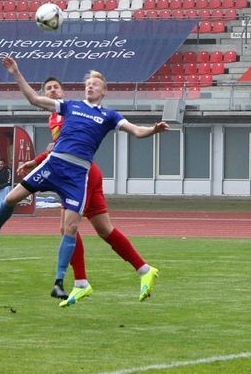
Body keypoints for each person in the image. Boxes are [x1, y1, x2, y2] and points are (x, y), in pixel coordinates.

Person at [0, 58, 168, 307]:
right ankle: (129, 272)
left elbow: (136, 131)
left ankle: (74, 281)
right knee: (98, 229)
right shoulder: (68, 108)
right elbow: (39, 110)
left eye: (95, 84)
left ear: (104, 90)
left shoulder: (105, 114)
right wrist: (16, 73)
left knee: (71, 228)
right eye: (88, 84)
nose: (90, 87)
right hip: (58, 166)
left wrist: (152, 130)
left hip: (82, 174)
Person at [15, 75, 160, 306]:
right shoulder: (55, 118)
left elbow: (68, 146)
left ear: (64, 92)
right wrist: (37, 161)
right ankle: (143, 269)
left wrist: (39, 160)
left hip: (78, 175)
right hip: (79, 172)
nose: (52, 91)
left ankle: (81, 282)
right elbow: (60, 147)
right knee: (103, 229)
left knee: (67, 228)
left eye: (56, 88)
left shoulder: (73, 111)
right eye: (48, 89)